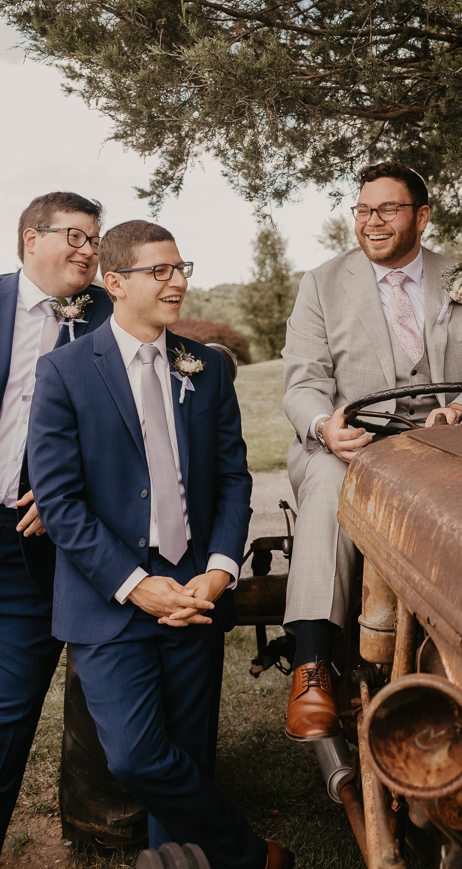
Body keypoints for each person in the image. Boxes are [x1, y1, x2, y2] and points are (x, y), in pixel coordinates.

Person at [28, 220, 292, 869]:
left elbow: (234, 479)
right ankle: (249, 854)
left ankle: (176, 862)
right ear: (114, 283)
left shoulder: (208, 367)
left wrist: (221, 571)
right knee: (137, 757)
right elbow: (60, 505)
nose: (177, 282)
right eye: (160, 271)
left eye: (181, 269)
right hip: (108, 602)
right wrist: (133, 584)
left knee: (189, 753)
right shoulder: (63, 373)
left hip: (195, 593)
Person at [282, 160, 462, 740]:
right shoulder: (322, 283)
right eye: (362, 210)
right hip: (350, 444)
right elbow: (303, 382)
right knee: (332, 483)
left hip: (448, 441)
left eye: (387, 209)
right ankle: (312, 663)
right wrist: (324, 428)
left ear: (421, 217)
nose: (371, 221)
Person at [0, 190, 111, 850]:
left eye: (95, 239)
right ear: (29, 237)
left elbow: (145, 414)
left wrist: (70, 488)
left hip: (44, 551)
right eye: (75, 235)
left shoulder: (111, 315)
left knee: (9, 717)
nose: (89, 250)